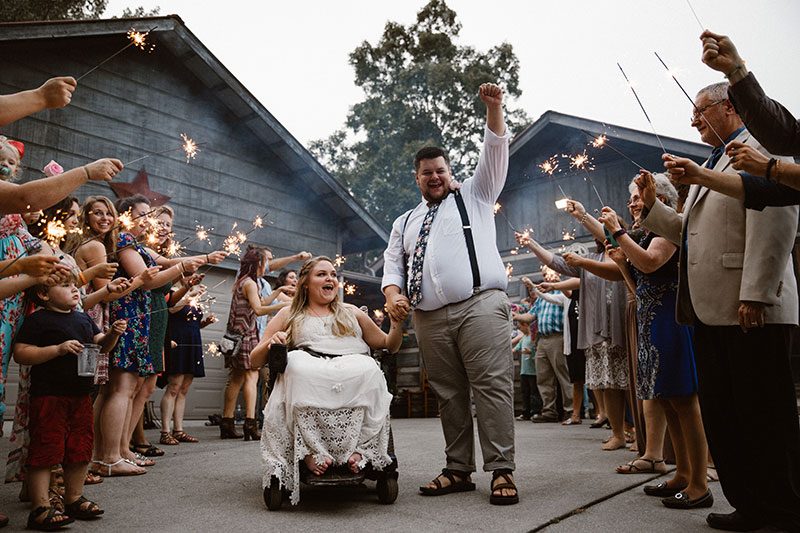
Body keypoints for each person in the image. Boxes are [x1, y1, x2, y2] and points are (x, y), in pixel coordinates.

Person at [638, 82, 800, 529]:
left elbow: (776, 219)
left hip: (749, 307)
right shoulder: (710, 162)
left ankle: (783, 509)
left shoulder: (762, 147)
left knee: (763, 412)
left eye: (699, 110)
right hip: (709, 310)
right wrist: (652, 207)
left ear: (728, 107)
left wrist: (757, 291)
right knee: (727, 415)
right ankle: (748, 503)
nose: (692, 120)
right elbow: (687, 233)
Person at [382, 82, 519, 505]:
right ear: (417, 178)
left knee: (491, 386)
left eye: (441, 170)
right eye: (427, 173)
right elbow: (393, 265)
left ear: (448, 170)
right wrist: (392, 296)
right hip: (428, 317)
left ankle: (501, 470)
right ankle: (458, 469)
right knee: (448, 393)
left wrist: (494, 108)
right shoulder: (404, 220)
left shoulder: (475, 196)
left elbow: (494, 150)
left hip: (480, 304)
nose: (435, 177)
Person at [251, 256, 406, 505]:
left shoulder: (351, 312)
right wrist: (272, 342)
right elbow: (254, 360)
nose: (330, 279)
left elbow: (389, 345)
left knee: (369, 368)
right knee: (298, 367)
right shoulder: (288, 313)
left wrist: (397, 324)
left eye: (333, 274)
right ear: (305, 283)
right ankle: (310, 453)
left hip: (351, 364)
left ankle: (360, 451)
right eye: (322, 274)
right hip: (309, 365)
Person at [599, 178, 710, 510]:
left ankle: (700, 484)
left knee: (684, 402)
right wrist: (620, 261)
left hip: (670, 320)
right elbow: (638, 282)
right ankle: (682, 473)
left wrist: (618, 233)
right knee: (668, 402)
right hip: (649, 319)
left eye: (636, 197)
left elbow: (650, 263)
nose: (632, 203)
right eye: (630, 198)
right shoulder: (646, 234)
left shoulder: (667, 231)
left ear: (658, 197)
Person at [13, 280, 126, 529]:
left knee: (80, 448)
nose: (75, 289)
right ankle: (40, 506)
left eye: (75, 285)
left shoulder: (83, 319)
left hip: (80, 395)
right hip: (49, 396)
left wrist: (113, 334)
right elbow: (21, 352)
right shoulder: (38, 320)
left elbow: (101, 344)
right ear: (43, 294)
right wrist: (58, 349)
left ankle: (73, 498)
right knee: (46, 448)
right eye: (65, 285)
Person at [220, 247, 291, 440]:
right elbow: (259, 310)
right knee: (251, 377)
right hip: (247, 334)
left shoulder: (244, 281)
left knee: (236, 379)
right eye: (264, 262)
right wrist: (284, 306)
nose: (267, 266)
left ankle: (226, 422)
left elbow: (261, 301)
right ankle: (250, 425)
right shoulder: (250, 283)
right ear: (257, 263)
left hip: (236, 334)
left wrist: (278, 291)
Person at [160, 278, 216, 445]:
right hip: (177, 341)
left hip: (193, 342)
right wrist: (189, 294)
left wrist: (205, 323)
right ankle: (165, 431)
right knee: (174, 387)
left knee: (184, 389)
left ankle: (179, 430)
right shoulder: (173, 293)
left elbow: (193, 324)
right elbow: (171, 311)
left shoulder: (195, 299)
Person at [514, 269, 573, 424]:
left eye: (551, 274)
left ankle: (571, 410)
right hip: (542, 339)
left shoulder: (562, 294)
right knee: (543, 377)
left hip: (557, 337)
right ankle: (549, 411)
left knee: (563, 375)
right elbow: (530, 316)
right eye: (546, 275)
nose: (548, 277)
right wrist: (515, 316)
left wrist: (534, 286)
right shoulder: (540, 300)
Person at [511, 319, 541, 421]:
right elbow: (515, 349)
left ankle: (535, 411)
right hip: (524, 370)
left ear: (525, 325)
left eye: (520, 327)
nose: (520, 329)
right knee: (525, 392)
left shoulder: (533, 338)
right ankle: (525, 412)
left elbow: (536, 351)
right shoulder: (523, 338)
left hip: (533, 371)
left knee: (534, 392)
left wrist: (531, 352)